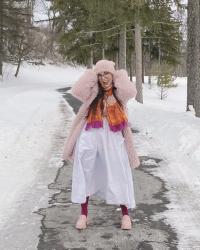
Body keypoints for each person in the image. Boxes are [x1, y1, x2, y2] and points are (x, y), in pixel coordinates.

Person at [62, 59, 140, 230]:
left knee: (119, 169)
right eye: (100, 74)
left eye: (106, 73)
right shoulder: (92, 92)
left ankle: (125, 214)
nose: (104, 77)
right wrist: (92, 74)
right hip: (90, 132)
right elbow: (77, 90)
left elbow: (131, 91)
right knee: (85, 169)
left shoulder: (119, 93)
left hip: (112, 134)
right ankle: (83, 214)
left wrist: (117, 75)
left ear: (112, 74)